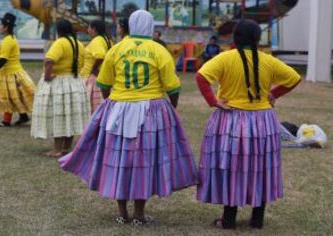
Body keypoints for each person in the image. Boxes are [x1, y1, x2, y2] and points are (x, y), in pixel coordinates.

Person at [59, 10, 197, 226]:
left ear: (130, 25)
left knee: (120, 161)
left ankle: (122, 213)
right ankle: (139, 215)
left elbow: (104, 83)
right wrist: (173, 106)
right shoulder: (158, 50)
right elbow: (173, 86)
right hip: (150, 112)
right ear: (150, 26)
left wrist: (112, 102)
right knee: (144, 162)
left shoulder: (117, 48)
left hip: (119, 111)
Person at [196, 19, 301, 229]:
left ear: (235, 37)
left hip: (231, 121)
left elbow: (201, 77)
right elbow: (294, 78)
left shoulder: (224, 58)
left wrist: (213, 102)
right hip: (263, 122)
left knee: (231, 167)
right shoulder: (268, 60)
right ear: (257, 39)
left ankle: (228, 219)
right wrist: (274, 94)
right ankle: (257, 220)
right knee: (261, 167)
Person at [31, 19, 89, 158]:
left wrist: (47, 76)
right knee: (70, 116)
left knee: (59, 115)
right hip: (75, 83)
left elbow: (49, 60)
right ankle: (66, 148)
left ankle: (57, 150)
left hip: (60, 83)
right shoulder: (79, 44)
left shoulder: (60, 42)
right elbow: (82, 63)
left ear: (59, 31)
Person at [0, 12, 36, 127]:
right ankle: (23, 116)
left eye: (0, 25)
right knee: (14, 97)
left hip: (10, 74)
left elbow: (3, 59)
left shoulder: (8, 41)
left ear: (5, 27)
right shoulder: (11, 38)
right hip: (11, 73)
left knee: (10, 97)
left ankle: (7, 121)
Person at [80, 20, 111, 114]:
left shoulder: (96, 41)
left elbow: (100, 56)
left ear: (94, 29)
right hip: (100, 77)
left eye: (89, 28)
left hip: (92, 79)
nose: (87, 30)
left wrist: (93, 70)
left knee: (92, 111)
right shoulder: (106, 40)